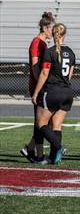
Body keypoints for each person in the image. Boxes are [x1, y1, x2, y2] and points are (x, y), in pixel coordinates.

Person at [31, 23, 76, 165]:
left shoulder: (49, 52)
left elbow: (44, 73)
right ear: (65, 34)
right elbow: (69, 75)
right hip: (67, 93)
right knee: (56, 125)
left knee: (41, 123)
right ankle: (53, 158)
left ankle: (59, 147)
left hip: (52, 92)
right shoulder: (71, 52)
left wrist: (36, 92)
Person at [20, 12, 54, 163]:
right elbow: (34, 67)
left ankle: (30, 148)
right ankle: (38, 155)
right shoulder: (36, 42)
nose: (53, 32)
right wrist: (40, 87)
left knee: (45, 121)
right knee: (40, 122)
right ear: (46, 28)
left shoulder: (44, 43)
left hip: (41, 86)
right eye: (51, 28)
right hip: (37, 86)